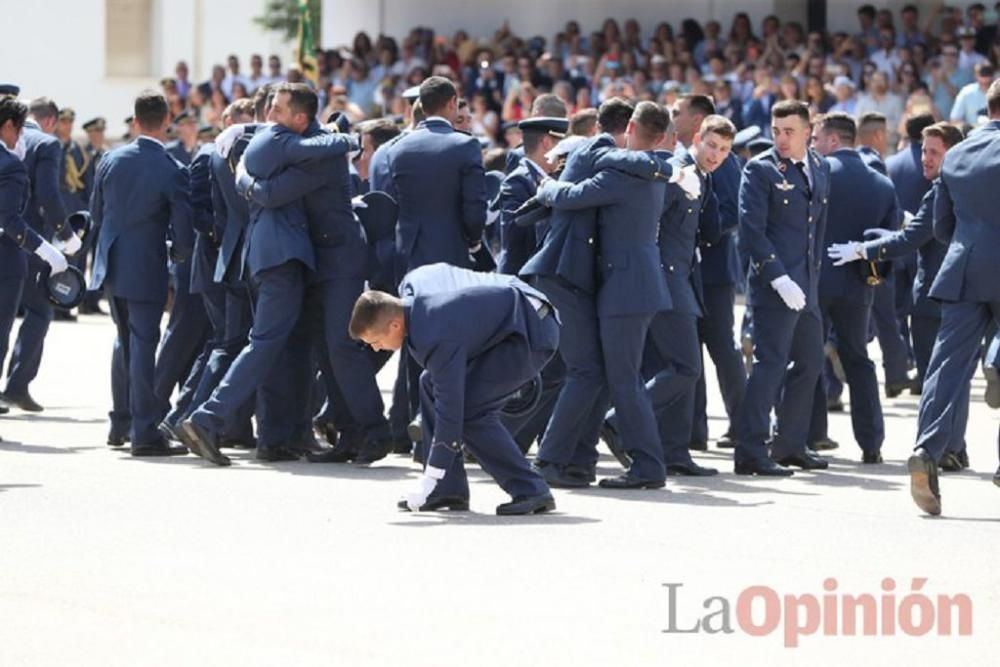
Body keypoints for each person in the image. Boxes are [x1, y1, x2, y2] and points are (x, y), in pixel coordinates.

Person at [177, 84, 359, 466]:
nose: (273, 116)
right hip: (281, 256)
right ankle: (206, 417)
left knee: (282, 347)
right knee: (264, 343)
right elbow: (299, 167)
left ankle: (281, 435)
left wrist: (244, 161)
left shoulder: (249, 140)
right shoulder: (279, 139)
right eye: (272, 108)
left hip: (264, 256)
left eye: (278, 108)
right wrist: (349, 138)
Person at [520, 98, 697, 488]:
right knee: (611, 375)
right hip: (631, 286)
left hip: (626, 289)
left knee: (624, 380)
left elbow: (573, 194)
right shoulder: (645, 171)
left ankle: (647, 466)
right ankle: (584, 461)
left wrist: (549, 187)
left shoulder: (626, 173)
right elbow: (628, 161)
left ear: (631, 127)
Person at [350, 264, 559, 514]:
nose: (375, 348)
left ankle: (532, 490)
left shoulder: (435, 335)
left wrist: (429, 477)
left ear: (395, 325)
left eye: (375, 341)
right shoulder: (416, 310)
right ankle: (448, 490)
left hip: (532, 331)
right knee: (428, 383)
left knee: (470, 412)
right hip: (513, 323)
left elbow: (451, 410)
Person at [606, 114, 735, 476]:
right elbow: (650, 225)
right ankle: (619, 420)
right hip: (665, 280)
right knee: (686, 367)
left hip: (679, 280)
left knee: (677, 369)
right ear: (697, 138)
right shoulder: (677, 172)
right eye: (711, 145)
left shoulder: (701, 176)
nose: (716, 155)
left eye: (724, 150)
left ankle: (675, 452)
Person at [831, 121, 966, 469]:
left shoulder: (940, 189)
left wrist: (865, 249)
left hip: (934, 295)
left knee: (937, 376)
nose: (926, 158)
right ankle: (955, 444)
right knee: (956, 374)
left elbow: (912, 239)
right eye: (924, 150)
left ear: (954, 153)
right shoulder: (964, 186)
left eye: (934, 151)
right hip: (959, 294)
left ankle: (942, 447)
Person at [907, 81, 1000, 516]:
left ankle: (926, 449)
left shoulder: (959, 151)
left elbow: (941, 227)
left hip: (963, 268)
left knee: (945, 365)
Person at [89, 91, 194, 456]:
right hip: (147, 266)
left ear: (135, 121)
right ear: (167, 121)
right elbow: (183, 229)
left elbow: (96, 214)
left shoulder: (110, 159)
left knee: (124, 340)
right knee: (144, 346)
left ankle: (120, 423)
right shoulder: (170, 168)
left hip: (112, 263)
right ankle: (145, 432)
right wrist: (179, 258)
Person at [735, 100, 830, 475]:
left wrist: (812, 278)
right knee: (769, 366)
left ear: (808, 131)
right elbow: (751, 231)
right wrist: (777, 276)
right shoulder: (760, 170)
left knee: (809, 364)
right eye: (776, 131)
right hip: (777, 287)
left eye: (789, 131)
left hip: (806, 285)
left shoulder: (819, 167)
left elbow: (816, 228)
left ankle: (790, 444)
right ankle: (750, 450)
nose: (781, 138)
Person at [811, 112, 898, 464]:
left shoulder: (818, 173)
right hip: (859, 281)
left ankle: (812, 434)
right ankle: (871, 442)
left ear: (833, 140)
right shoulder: (882, 184)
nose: (813, 143)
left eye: (817, 137)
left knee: (808, 358)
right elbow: (890, 240)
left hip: (816, 280)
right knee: (859, 361)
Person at [1, 97, 81, 413]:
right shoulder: (47, 144)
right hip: (26, 243)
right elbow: (48, 193)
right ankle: (17, 385)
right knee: (39, 312)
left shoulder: (20, 144)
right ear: (51, 121)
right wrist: (64, 236)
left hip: (18, 239)